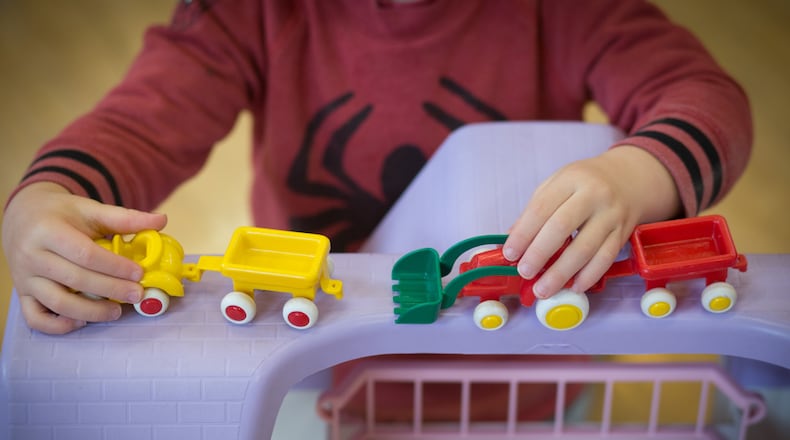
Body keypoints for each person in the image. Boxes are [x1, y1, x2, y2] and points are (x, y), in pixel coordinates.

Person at [2, 0, 751, 337]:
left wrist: (638, 173)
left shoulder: (568, 11)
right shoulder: (247, 13)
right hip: (328, 345)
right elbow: (142, 121)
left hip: (524, 347)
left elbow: (705, 97)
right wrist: (52, 199)